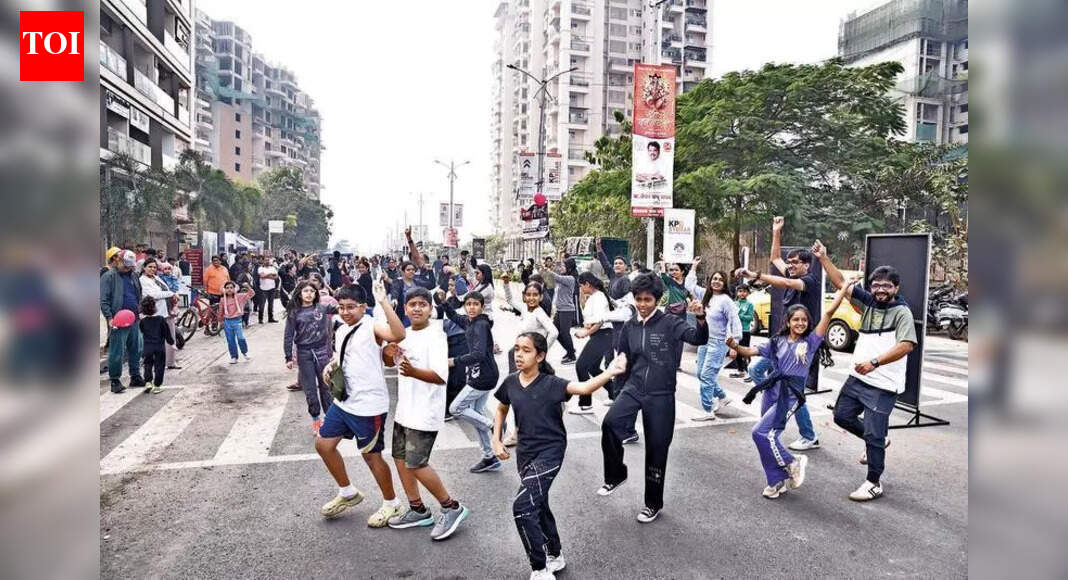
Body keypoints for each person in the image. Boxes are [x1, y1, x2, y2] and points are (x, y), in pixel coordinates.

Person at [492, 332, 627, 579]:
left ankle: (540, 568)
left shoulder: (552, 384)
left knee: (523, 507)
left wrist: (612, 371)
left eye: (526, 350)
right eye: (517, 349)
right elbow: (501, 408)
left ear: (540, 356)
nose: (519, 355)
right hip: (525, 453)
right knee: (538, 503)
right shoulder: (511, 382)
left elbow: (584, 387)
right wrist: (496, 440)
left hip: (550, 452)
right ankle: (555, 554)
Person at [599, 273, 708, 523]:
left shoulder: (670, 323)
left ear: (657, 300)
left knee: (657, 449)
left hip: (661, 395)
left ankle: (652, 504)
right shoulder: (630, 326)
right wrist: (618, 391)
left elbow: (698, 338)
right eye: (638, 299)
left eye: (647, 299)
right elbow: (623, 358)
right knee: (610, 423)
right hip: (634, 388)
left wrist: (701, 317)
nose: (642, 304)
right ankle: (616, 474)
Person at [727, 281, 850, 499]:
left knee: (760, 432)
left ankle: (793, 461)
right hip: (771, 391)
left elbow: (829, 313)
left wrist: (844, 286)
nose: (800, 323)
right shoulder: (776, 342)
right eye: (796, 319)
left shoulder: (811, 342)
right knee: (766, 437)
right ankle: (775, 482)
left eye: (804, 320)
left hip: (790, 396)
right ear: (788, 321)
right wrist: (735, 346)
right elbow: (750, 351)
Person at [815, 241, 917, 501]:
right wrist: (824, 258)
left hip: (883, 384)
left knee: (873, 433)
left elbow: (907, 345)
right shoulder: (868, 302)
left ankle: (874, 482)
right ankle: (878, 441)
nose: (881, 290)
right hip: (857, 378)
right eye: (876, 285)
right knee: (841, 416)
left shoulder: (902, 312)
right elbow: (840, 282)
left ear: (896, 288)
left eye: (886, 286)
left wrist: (875, 362)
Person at [372, 287, 471, 541]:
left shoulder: (436, 335)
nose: (417, 308)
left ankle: (451, 507)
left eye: (422, 304)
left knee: (416, 463)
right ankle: (417, 510)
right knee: (400, 458)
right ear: (405, 309)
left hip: (425, 412)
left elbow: (440, 376)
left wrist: (413, 371)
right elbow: (390, 361)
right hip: (405, 410)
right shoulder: (404, 334)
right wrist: (387, 353)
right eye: (412, 304)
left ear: (430, 309)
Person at [316, 281, 407, 526]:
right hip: (344, 401)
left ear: (363, 307)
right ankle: (348, 493)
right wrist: (331, 366)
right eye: (341, 307)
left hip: (369, 405)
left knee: (371, 456)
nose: (345, 312)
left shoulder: (371, 326)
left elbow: (398, 334)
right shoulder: (341, 329)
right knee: (324, 445)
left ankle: (392, 504)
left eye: (351, 307)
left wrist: (383, 301)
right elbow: (342, 356)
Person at [734, 216, 821, 452]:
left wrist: (756, 276)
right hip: (783, 341)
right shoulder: (793, 274)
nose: (790, 265)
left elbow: (785, 283)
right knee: (759, 372)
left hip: (801, 345)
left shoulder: (808, 281)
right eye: (789, 262)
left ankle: (807, 434)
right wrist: (776, 231)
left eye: (795, 263)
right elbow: (774, 259)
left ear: (807, 265)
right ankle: (778, 408)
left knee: (791, 389)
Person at [440, 290, 501, 473]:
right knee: (476, 414)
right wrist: (444, 302)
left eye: (475, 304)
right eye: (468, 304)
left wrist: (454, 361)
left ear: (482, 307)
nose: (472, 308)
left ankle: (493, 425)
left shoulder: (480, 325)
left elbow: (478, 354)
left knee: (455, 408)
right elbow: (454, 316)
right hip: (480, 374)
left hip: (483, 376)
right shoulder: (470, 321)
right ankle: (489, 457)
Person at [685, 262, 742, 421]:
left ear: (724, 284)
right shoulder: (705, 295)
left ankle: (707, 410)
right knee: (700, 374)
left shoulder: (726, 301)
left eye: (720, 280)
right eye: (714, 279)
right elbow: (689, 285)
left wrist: (735, 344)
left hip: (718, 343)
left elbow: (734, 321)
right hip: (704, 341)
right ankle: (722, 397)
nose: (716, 281)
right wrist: (694, 267)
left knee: (707, 376)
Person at [285, 280, 338, 435]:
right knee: (310, 390)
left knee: (326, 387)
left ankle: (329, 420)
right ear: (300, 293)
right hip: (304, 354)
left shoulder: (322, 308)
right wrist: (288, 357)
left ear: (316, 294)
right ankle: (316, 420)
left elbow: (342, 308)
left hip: (322, 352)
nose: (309, 294)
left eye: (312, 291)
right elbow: (288, 335)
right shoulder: (294, 312)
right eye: (306, 291)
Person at [100, 248, 145, 393]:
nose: (128, 268)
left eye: (130, 266)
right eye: (125, 266)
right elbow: (103, 300)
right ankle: (115, 380)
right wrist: (109, 317)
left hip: (134, 317)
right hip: (118, 320)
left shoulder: (134, 275)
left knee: (136, 348)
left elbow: (139, 293)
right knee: (117, 351)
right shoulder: (108, 277)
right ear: (118, 261)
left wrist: (140, 309)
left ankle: (135, 375)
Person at [572, 272, 615, 414]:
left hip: (603, 335)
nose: (580, 288)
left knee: (581, 366)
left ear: (587, 284)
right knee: (593, 368)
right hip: (599, 335)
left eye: (581, 286)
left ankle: (585, 404)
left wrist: (586, 333)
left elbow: (600, 321)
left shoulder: (599, 297)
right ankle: (615, 393)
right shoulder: (593, 297)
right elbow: (586, 312)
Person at [138, 297, 173, 395]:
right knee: (159, 366)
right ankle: (157, 386)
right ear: (154, 307)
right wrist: (172, 343)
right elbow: (166, 333)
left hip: (148, 347)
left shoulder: (143, 321)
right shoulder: (161, 319)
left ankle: (148, 382)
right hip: (159, 347)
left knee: (147, 364)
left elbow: (142, 331)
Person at [549, 254, 579, 364]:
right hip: (560, 309)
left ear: (569, 267)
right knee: (555, 332)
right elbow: (552, 279)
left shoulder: (570, 279)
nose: (561, 267)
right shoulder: (563, 278)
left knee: (565, 333)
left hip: (567, 310)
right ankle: (570, 350)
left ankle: (572, 355)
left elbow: (556, 277)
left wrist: (547, 270)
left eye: (563, 266)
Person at [218, 280, 254, 365]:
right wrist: (221, 321)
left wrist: (247, 286)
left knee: (240, 337)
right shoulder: (223, 300)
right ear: (224, 290)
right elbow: (220, 311)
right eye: (227, 288)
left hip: (237, 320)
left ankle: (245, 352)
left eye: (231, 287)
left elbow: (252, 294)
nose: (229, 289)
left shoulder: (240, 296)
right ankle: (234, 357)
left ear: (235, 289)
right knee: (230, 340)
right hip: (227, 322)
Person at [157, 261, 182, 369]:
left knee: (170, 335)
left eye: (169, 269)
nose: (167, 271)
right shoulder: (158, 279)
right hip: (159, 310)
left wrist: (174, 295)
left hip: (170, 308)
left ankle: (170, 361)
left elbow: (176, 289)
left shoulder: (172, 278)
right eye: (165, 269)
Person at [729, 284, 755, 378]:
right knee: (737, 350)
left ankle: (750, 372)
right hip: (735, 331)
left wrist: (740, 316)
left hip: (745, 331)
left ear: (748, 293)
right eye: (740, 291)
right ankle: (740, 371)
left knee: (746, 351)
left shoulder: (749, 304)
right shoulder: (734, 303)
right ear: (737, 293)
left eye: (744, 291)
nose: (742, 293)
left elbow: (750, 317)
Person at [255, 255, 279, 323]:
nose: (267, 261)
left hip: (272, 288)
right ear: (263, 261)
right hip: (263, 289)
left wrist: (266, 275)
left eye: (268, 260)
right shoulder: (260, 268)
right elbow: (262, 276)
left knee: (271, 304)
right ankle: (260, 319)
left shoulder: (273, 268)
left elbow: (276, 277)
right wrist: (271, 274)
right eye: (266, 260)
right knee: (262, 305)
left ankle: (270, 318)